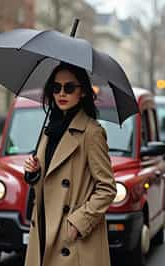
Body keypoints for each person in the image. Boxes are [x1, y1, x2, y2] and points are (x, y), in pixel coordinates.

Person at [24, 63, 117, 266]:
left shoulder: (92, 133)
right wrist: (34, 173)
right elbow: (48, 186)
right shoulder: (49, 130)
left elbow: (107, 188)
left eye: (69, 87)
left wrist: (78, 223)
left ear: (82, 91)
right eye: (56, 88)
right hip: (43, 229)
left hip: (72, 242)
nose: (62, 93)